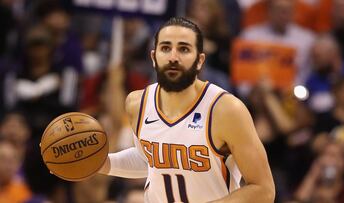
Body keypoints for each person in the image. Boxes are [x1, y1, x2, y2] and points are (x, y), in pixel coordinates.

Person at [99, 17, 275, 203]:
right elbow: (150, 161)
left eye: (183, 49)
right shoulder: (137, 103)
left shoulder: (226, 109)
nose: (173, 57)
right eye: (166, 48)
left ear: (199, 61)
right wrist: (103, 163)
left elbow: (263, 190)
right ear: (153, 57)